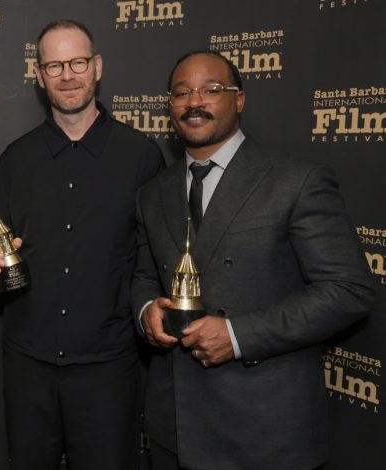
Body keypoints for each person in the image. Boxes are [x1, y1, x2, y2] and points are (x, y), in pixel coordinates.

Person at [131, 50, 374, 470]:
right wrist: (146, 311)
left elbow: (348, 290)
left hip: (265, 432)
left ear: (239, 100)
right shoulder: (153, 193)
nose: (194, 102)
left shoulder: (296, 180)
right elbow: (142, 276)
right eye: (181, 92)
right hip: (175, 428)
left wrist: (240, 335)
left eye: (211, 90)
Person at [0, 20, 164, 469]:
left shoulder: (142, 157)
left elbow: (152, 262)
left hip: (108, 368)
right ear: (39, 75)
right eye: (54, 65)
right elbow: (3, 253)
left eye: (77, 62)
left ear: (97, 67)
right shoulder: (16, 159)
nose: (67, 75)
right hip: (28, 366)